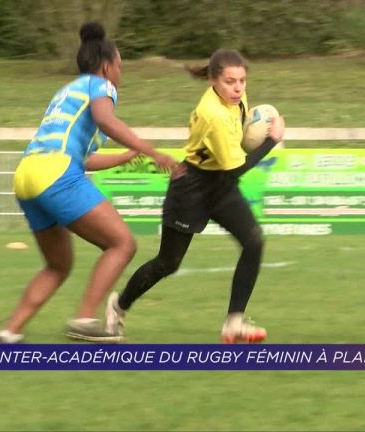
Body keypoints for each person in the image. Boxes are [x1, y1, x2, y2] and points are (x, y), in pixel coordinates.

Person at [0, 22, 180, 344]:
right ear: (107, 66)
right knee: (122, 244)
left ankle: (9, 332)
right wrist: (153, 151)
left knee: (57, 265)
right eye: (120, 66)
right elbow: (105, 120)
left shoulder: (66, 91)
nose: (121, 73)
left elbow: (83, 157)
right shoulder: (101, 86)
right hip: (55, 173)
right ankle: (84, 320)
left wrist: (125, 157)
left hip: (27, 175)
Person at [106, 48, 285, 343]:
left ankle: (234, 322)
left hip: (220, 183)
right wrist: (271, 141)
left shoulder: (236, 101)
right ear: (213, 81)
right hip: (192, 186)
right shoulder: (212, 114)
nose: (238, 87)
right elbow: (236, 170)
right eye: (230, 81)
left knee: (253, 241)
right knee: (168, 263)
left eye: (241, 80)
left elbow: (234, 153)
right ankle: (119, 305)